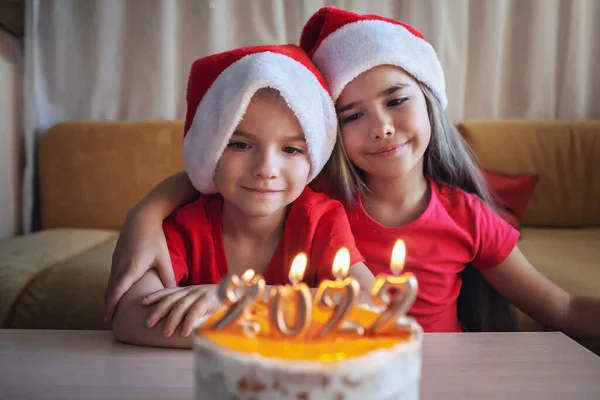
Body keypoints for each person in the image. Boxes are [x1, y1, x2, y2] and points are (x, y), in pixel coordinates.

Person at [107, 7, 600, 338]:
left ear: (429, 100)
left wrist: (232, 302)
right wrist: (147, 213)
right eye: (353, 115)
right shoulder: (316, 199)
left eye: (396, 100)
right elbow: (223, 179)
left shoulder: (465, 216)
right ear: (329, 139)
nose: (382, 128)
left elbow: (563, 310)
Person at [112, 44, 374, 348]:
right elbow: (131, 317)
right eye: (240, 145)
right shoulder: (188, 224)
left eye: (291, 149)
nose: (266, 169)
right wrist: (288, 323)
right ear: (209, 151)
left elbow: (370, 305)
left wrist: (242, 298)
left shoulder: (321, 219)